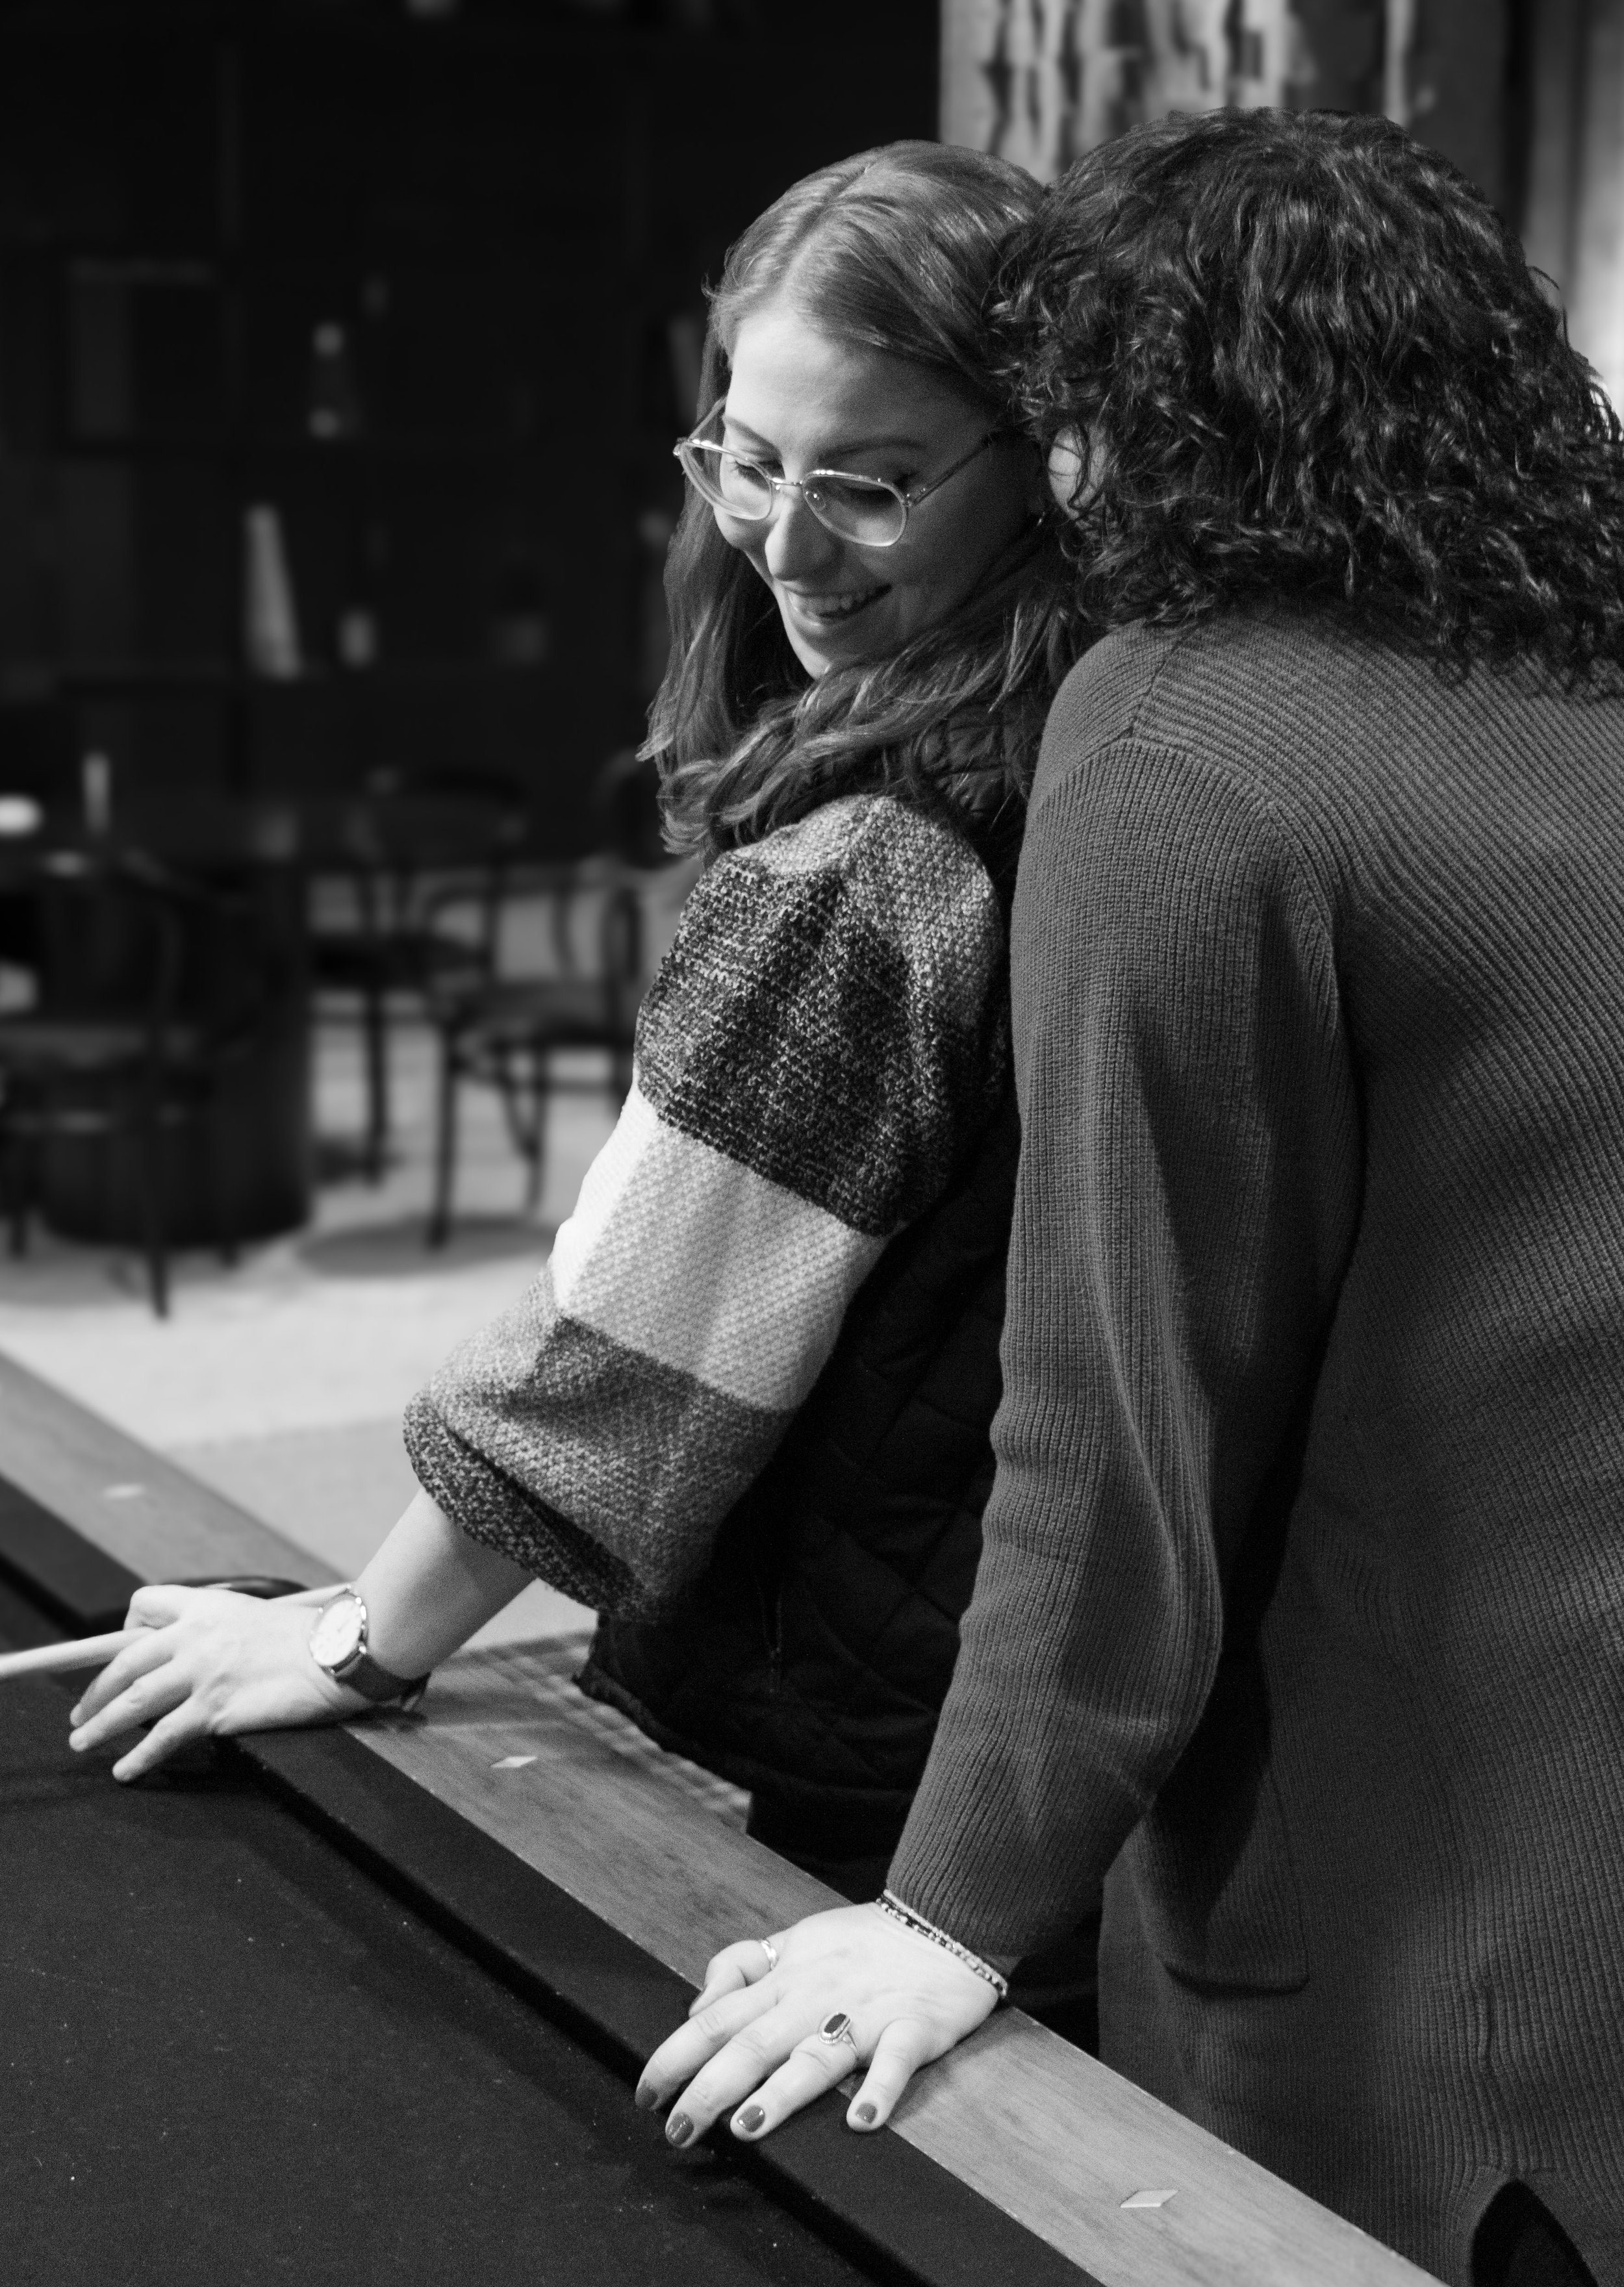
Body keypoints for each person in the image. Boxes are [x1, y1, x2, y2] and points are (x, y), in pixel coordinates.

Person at [635, 110, 1624, 2287]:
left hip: (1434, 1987)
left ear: (1134, 428)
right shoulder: (1582, 672)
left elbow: (1116, 1407)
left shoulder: (1179, 732)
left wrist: (941, 1913)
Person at [66, 144, 1087, 1984]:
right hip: (998, 1668)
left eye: (868, 482)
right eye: (747, 459)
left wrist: (357, 1640)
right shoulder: (1095, 723)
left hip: (884, 1719)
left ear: (1039, 462)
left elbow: (636, 1356)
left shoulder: (876, 862)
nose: (782, 540)